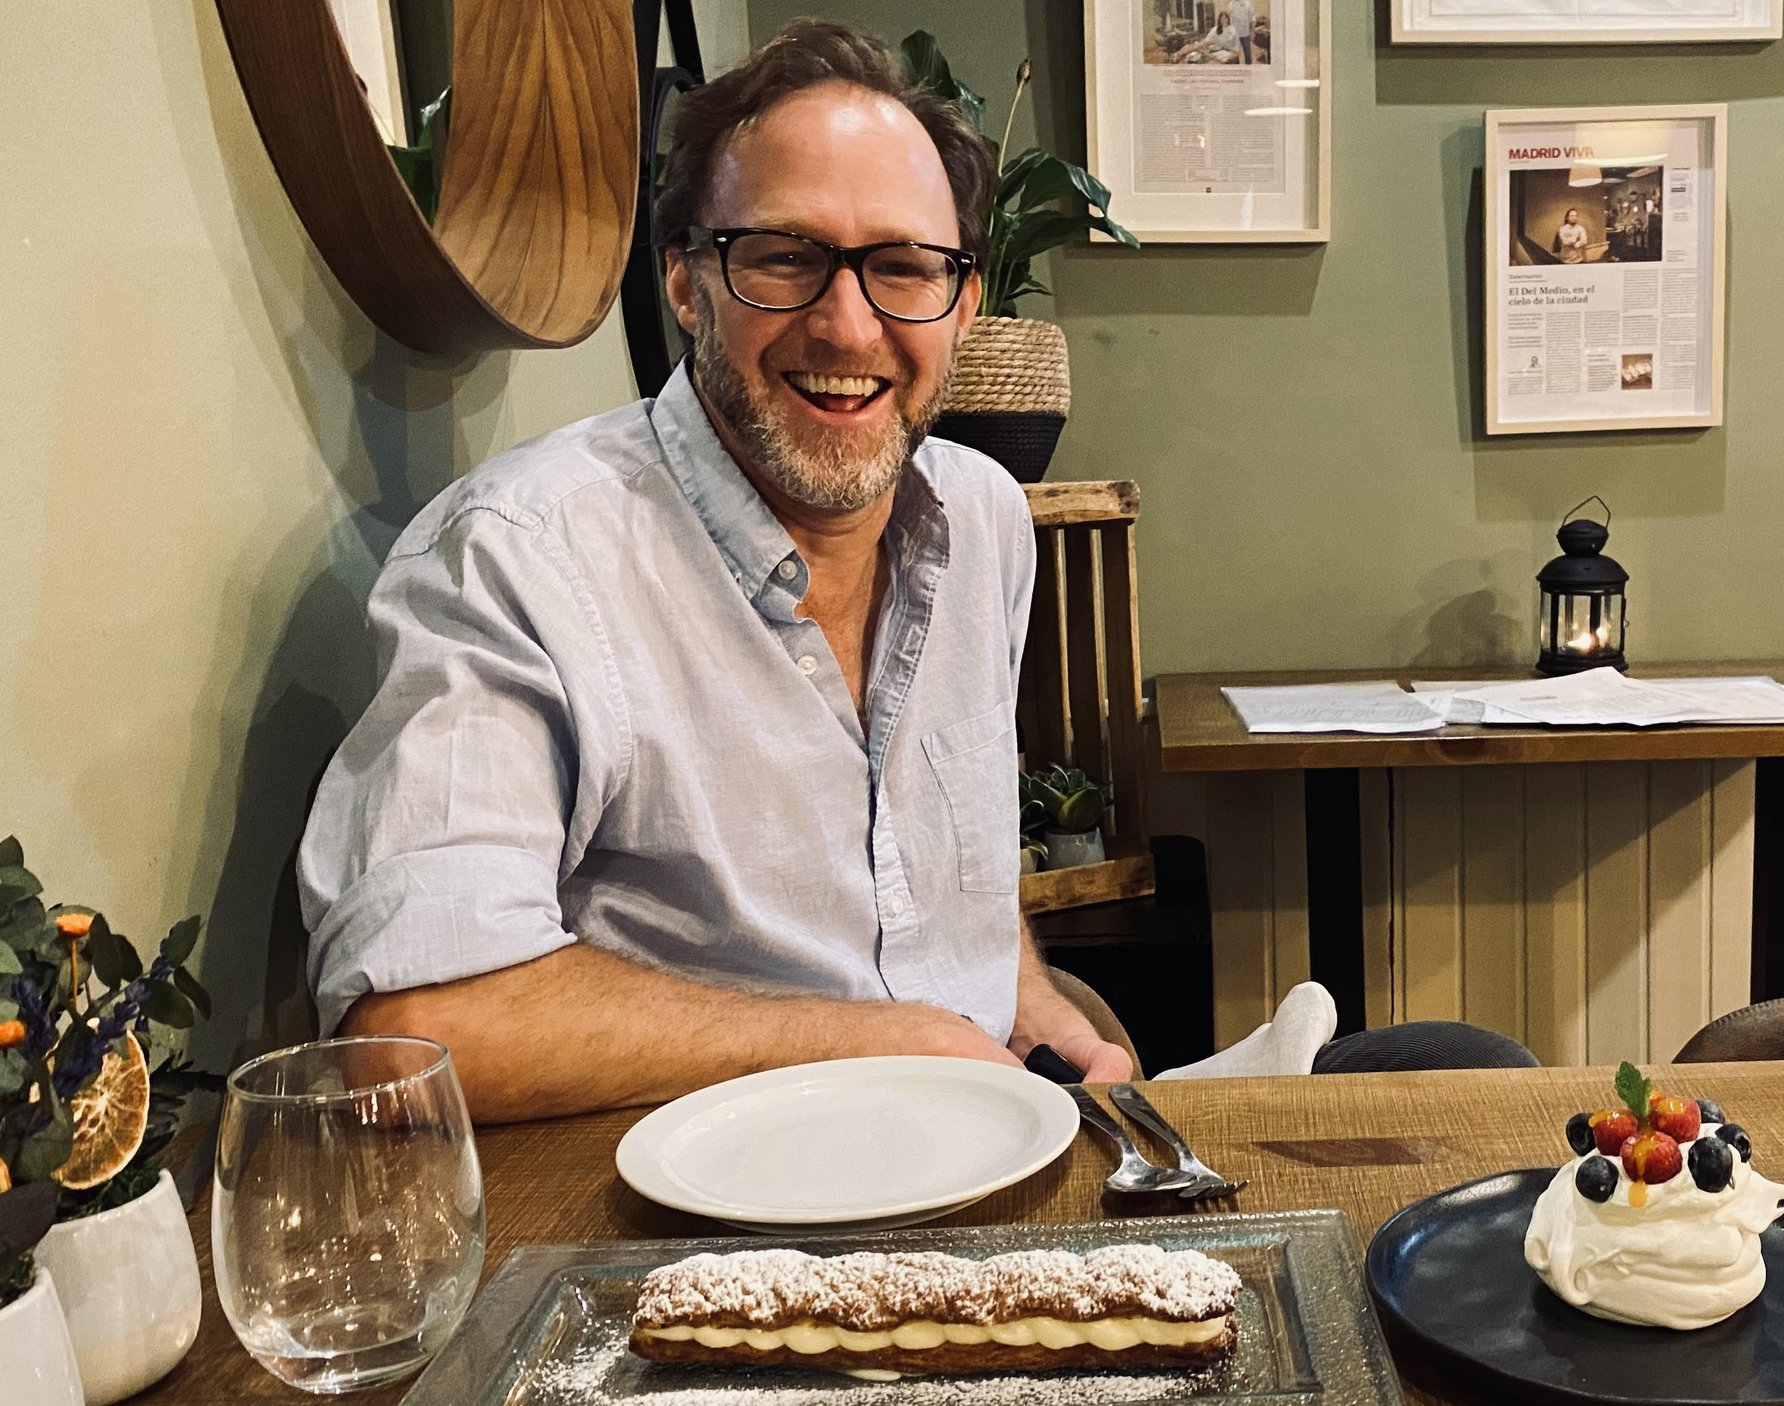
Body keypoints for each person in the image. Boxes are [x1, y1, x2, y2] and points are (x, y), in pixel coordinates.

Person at [298, 21, 1528, 1125]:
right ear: (684, 279)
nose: (848, 325)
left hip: (979, 1144)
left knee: (1463, 1072)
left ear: (963, 301)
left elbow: (950, 883)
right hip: (720, 1219)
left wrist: (1025, 996)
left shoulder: (982, 519)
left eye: (903, 266)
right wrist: (880, 1045)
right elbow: (414, 1026)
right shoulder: (519, 555)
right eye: (782, 256)